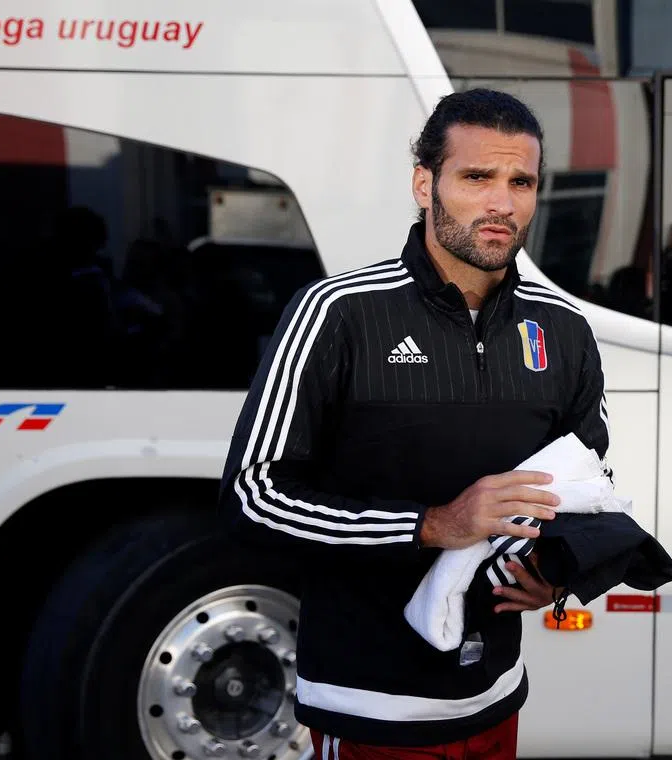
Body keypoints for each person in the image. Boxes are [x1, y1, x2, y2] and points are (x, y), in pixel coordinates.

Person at [218, 88, 612, 759]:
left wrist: (560, 571)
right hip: (371, 703)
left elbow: (589, 487)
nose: (501, 203)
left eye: (521, 182)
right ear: (424, 183)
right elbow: (250, 496)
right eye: (477, 177)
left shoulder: (564, 330)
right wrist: (431, 525)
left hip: (496, 694)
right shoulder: (337, 313)